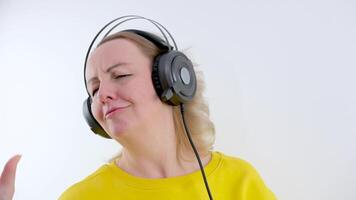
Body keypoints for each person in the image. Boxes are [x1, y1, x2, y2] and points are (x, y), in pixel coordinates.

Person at [1, 17, 276, 200]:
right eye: (94, 89)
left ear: (172, 80)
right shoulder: (81, 197)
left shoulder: (240, 181)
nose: (103, 95)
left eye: (120, 75)